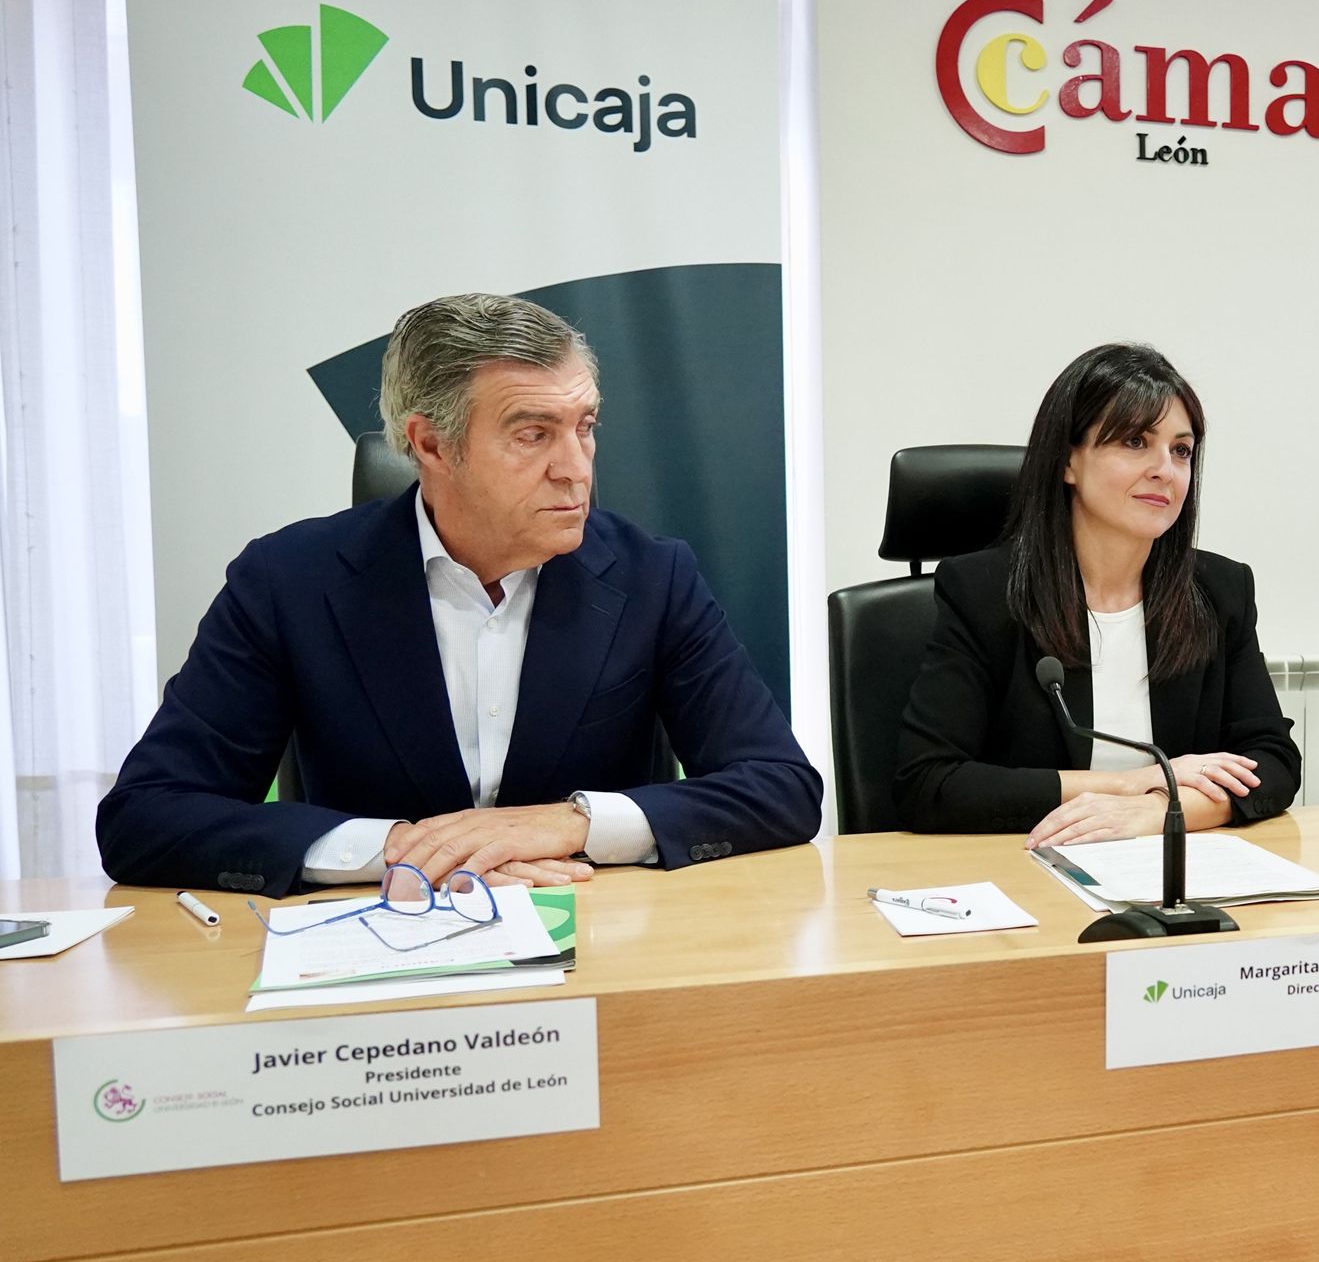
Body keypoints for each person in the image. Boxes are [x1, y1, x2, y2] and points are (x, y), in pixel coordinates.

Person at [97, 292, 822, 896]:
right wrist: (399, 849)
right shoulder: (290, 581)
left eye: (586, 427)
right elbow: (147, 816)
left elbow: (779, 786)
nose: (576, 470)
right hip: (375, 955)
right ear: (431, 445)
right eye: (533, 434)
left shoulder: (650, 576)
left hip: (598, 941)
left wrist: (569, 823)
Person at [895, 342, 1301, 843]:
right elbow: (929, 784)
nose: (1165, 470)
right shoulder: (983, 594)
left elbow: (1273, 761)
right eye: (1135, 442)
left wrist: (1158, 811)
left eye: (1181, 450)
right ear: (1068, 461)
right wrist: (1131, 785)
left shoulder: (1219, 592)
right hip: (1025, 872)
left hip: (1172, 873)